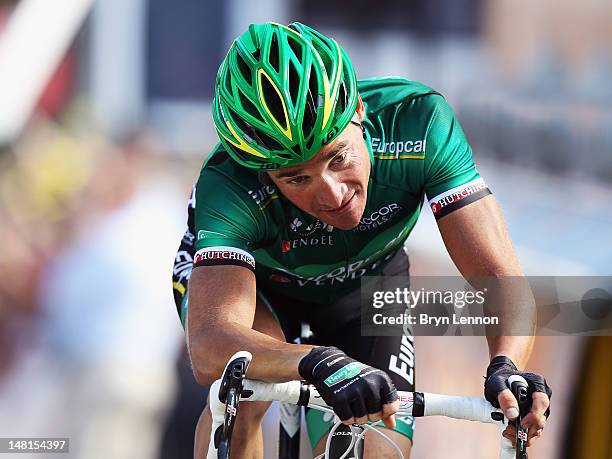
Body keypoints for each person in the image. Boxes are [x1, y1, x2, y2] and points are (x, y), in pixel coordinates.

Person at [172, 22, 552, 458]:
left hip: (367, 285)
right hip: (261, 291)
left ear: (358, 110)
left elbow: (498, 276)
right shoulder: (229, 181)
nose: (333, 193)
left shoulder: (418, 121)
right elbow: (209, 345)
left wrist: (508, 365)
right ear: (262, 171)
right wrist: (322, 362)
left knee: (380, 446)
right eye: (297, 178)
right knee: (244, 396)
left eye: (338, 157)